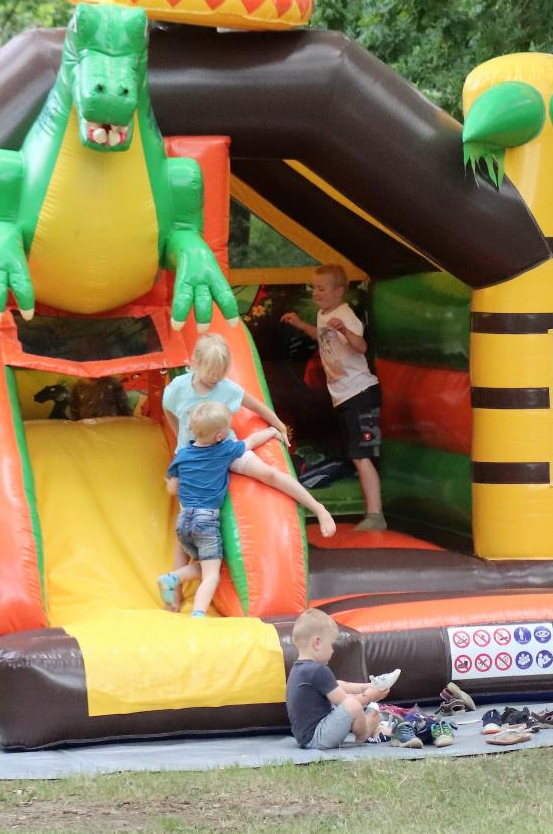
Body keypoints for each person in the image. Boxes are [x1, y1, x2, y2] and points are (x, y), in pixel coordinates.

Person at [158, 401, 337, 616]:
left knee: (211, 565)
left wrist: (169, 481)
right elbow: (250, 442)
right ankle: (197, 613)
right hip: (206, 522)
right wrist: (271, 431)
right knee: (212, 575)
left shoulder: (183, 455)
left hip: (184, 521)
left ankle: (174, 577)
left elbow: (172, 488)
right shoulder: (224, 450)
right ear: (220, 436)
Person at [282, 264, 384, 530]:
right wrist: (300, 323)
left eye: (322, 288)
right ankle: (373, 513)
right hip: (344, 396)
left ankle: (375, 515)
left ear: (340, 290)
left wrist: (345, 331)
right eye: (314, 288)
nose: (316, 292)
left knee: (362, 455)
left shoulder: (345, 315)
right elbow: (322, 337)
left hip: (360, 393)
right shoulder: (323, 313)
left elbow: (361, 346)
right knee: (356, 454)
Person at [162, 332, 291, 448]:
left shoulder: (226, 388)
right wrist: (178, 434)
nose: (216, 378)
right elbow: (167, 406)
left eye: (222, 373)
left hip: (222, 448)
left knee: (259, 468)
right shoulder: (179, 387)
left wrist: (281, 427)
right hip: (192, 451)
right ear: (196, 363)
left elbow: (256, 406)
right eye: (211, 373)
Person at [286, 608, 389, 750]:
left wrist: (365, 686)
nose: (333, 651)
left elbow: (338, 685)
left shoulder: (299, 669)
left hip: (305, 737)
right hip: (318, 737)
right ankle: (364, 732)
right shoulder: (318, 670)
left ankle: (372, 725)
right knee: (352, 704)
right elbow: (345, 701)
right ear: (317, 643)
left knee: (341, 695)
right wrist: (369, 696)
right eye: (331, 645)